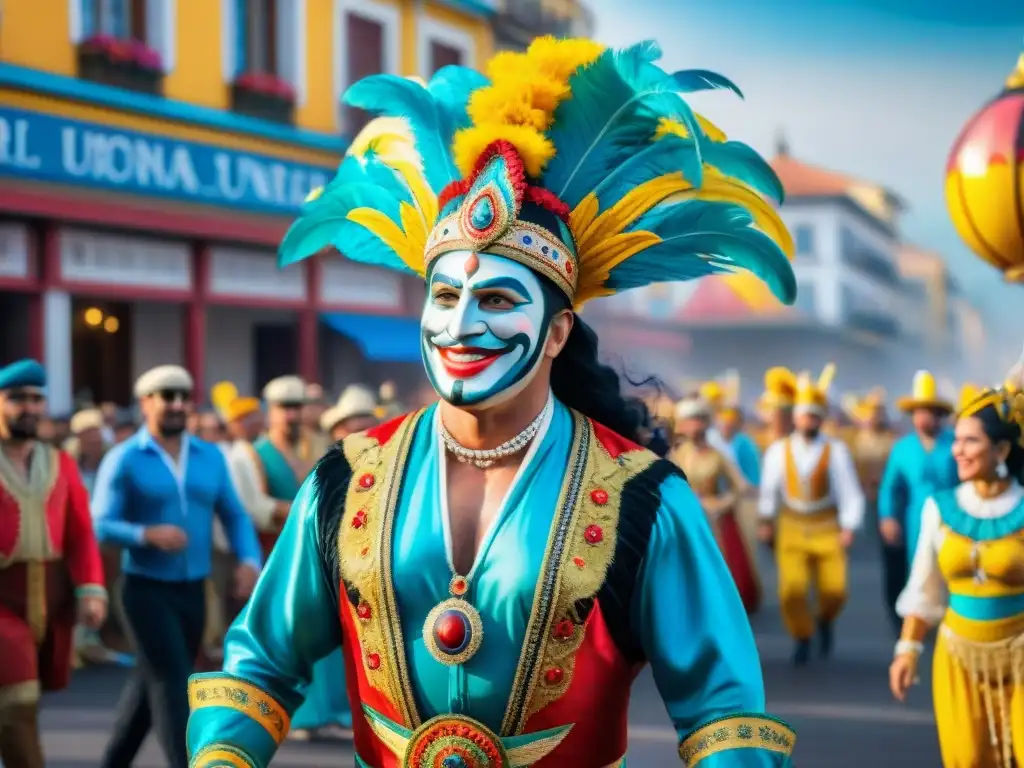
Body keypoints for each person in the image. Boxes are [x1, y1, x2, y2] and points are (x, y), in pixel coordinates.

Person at [186, 37, 800, 767]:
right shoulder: (347, 482)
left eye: (499, 298)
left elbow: (724, 712)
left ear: (556, 332)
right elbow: (259, 663)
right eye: (445, 295)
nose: (461, 324)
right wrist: (224, 756)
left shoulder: (643, 499)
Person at [91, 364, 263, 768]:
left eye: (185, 396)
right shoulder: (125, 458)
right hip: (144, 589)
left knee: (150, 685)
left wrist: (249, 560)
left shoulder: (210, 456)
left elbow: (235, 515)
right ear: (146, 402)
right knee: (175, 681)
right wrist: (144, 534)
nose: (178, 404)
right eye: (168, 395)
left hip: (193, 590)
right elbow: (99, 523)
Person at [889, 384, 1024, 767]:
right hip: (958, 659)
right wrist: (908, 651)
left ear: (1000, 450)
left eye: (970, 441)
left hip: (1021, 655)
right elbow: (924, 588)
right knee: (966, 758)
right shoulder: (940, 508)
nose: (957, 450)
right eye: (957, 440)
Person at [0, 359, 107, 768]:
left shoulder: (59, 463)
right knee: (19, 698)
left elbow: (80, 533)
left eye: (36, 399)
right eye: (16, 399)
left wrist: (90, 588)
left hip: (46, 598)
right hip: (2, 599)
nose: (28, 407)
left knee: (22, 696)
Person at [290, 389, 382, 741]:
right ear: (339, 427)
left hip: (366, 565)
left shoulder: (385, 461)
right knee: (316, 638)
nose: (362, 425)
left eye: (366, 419)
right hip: (326, 561)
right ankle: (308, 716)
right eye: (354, 420)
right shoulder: (328, 467)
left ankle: (345, 714)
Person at [759, 367, 865, 665]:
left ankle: (825, 619)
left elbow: (849, 490)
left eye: (815, 415)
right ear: (796, 417)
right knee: (791, 590)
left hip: (826, 524)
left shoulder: (837, 450)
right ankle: (802, 635)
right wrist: (766, 521)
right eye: (805, 415)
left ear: (821, 418)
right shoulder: (779, 451)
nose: (810, 421)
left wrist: (849, 525)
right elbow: (769, 489)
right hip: (792, 522)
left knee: (836, 590)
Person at [877, 370, 958, 636]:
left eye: (930, 411)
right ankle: (920, 620)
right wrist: (888, 517)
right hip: (917, 519)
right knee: (920, 566)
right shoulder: (903, 448)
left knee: (953, 566)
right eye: (919, 411)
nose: (924, 417)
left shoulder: (955, 443)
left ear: (939, 414)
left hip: (953, 515)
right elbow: (890, 487)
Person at [671, 396, 760, 613]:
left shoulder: (718, 456)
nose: (694, 427)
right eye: (689, 421)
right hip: (686, 516)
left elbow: (739, 486)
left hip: (714, 518)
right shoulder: (675, 455)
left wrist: (721, 504)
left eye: (699, 420)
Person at [251, 375, 316, 557]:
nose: (291, 416)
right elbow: (256, 506)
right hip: (275, 551)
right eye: (284, 408)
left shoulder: (316, 446)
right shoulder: (255, 452)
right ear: (269, 410)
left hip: (312, 550)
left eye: (297, 407)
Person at [752, 367, 797, 453]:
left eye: (784, 412)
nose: (779, 418)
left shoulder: (801, 443)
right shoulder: (758, 444)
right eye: (774, 410)